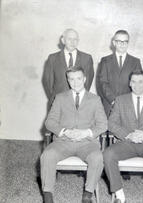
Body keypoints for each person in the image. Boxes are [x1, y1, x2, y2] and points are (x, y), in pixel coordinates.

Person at [40, 67, 107, 203]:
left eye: (78, 78)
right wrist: (65, 131)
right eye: (71, 79)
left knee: (97, 157)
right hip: (63, 142)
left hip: (87, 143)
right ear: (67, 80)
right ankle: (48, 196)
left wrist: (85, 133)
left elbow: (103, 124)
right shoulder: (60, 98)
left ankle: (87, 195)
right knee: (47, 155)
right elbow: (50, 122)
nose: (75, 83)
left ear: (85, 79)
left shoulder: (95, 99)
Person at [103, 70, 143, 203]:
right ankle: (119, 195)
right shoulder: (120, 100)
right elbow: (111, 123)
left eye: (140, 82)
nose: (137, 85)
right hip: (127, 142)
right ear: (129, 83)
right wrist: (128, 135)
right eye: (133, 81)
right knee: (108, 154)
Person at [43, 28, 94, 106]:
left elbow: (87, 83)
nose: (72, 42)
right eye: (69, 39)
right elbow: (48, 82)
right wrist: (55, 98)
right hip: (57, 104)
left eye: (75, 39)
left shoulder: (87, 58)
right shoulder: (52, 58)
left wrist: (79, 99)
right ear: (63, 40)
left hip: (79, 104)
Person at [98, 30, 142, 117]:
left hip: (129, 105)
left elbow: (138, 84)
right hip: (109, 104)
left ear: (128, 43)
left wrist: (127, 101)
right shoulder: (105, 61)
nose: (122, 44)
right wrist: (113, 100)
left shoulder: (135, 61)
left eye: (125, 41)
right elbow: (103, 83)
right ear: (114, 43)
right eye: (119, 41)